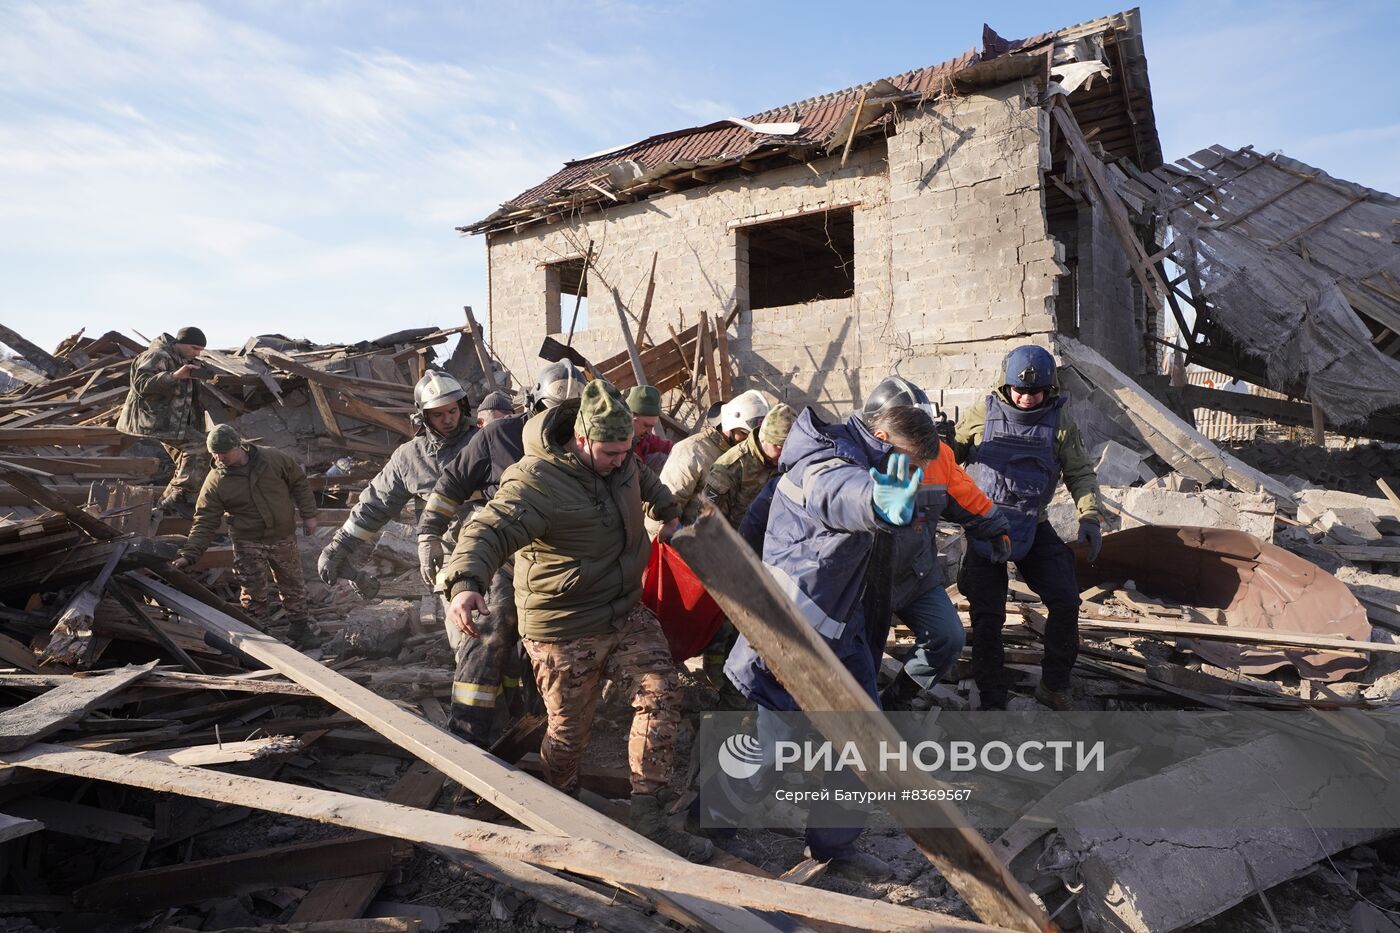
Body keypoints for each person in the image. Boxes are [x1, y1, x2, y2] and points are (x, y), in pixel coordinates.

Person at [439, 379, 712, 862]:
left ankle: (650, 818)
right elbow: (487, 529)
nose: (619, 459)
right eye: (609, 452)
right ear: (581, 439)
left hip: (624, 608)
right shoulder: (536, 481)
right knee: (568, 733)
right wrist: (465, 583)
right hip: (563, 623)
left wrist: (665, 509)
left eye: (625, 450)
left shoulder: (622, 458)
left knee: (662, 692)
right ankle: (563, 807)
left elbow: (644, 481)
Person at [722, 405, 926, 881]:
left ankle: (835, 846)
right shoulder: (827, 466)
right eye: (911, 464)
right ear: (882, 438)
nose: (913, 477)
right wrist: (874, 502)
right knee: (771, 748)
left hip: (842, 630)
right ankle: (712, 826)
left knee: (864, 744)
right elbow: (842, 495)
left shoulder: (857, 460)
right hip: (793, 637)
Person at [417, 361, 583, 745]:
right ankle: (467, 734)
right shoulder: (499, 437)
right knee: (491, 627)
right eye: (552, 411)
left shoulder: (588, 441)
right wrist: (428, 533)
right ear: (533, 404)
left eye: (573, 414)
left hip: (561, 560)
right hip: (506, 555)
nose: (562, 422)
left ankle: (537, 721)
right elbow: (452, 483)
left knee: (552, 641)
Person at [953, 346, 1102, 711]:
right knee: (988, 614)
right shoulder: (981, 413)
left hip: (1033, 522)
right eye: (1018, 389)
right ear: (1005, 385)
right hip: (986, 523)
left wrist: (1090, 516)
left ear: (1048, 389)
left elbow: (1080, 472)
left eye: (1034, 392)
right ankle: (991, 700)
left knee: (1066, 598)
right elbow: (949, 455)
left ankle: (1053, 685)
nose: (1025, 396)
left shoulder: (1060, 421)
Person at [856, 378, 1011, 712]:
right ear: (880, 430)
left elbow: (965, 494)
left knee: (947, 638)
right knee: (860, 659)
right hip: (864, 585)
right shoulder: (853, 457)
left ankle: (898, 701)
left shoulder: (937, 456)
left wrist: (995, 528)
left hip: (915, 573)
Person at [317, 370, 475, 600]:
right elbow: (375, 505)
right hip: (446, 554)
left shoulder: (485, 442)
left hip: (496, 548)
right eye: (438, 414)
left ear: (463, 407)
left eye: (453, 411)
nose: (448, 419)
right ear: (423, 416)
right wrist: (338, 547)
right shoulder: (409, 457)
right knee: (463, 625)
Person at [173, 425, 320, 645]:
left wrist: (309, 515)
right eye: (214, 453)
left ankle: (300, 628)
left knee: (293, 583)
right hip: (247, 540)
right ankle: (259, 637)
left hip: (282, 536)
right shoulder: (215, 482)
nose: (218, 457)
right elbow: (205, 520)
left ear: (238, 446)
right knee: (253, 590)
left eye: (223, 452)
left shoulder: (272, 459)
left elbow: (298, 482)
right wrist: (190, 554)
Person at [696, 402, 794, 693]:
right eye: (780, 449)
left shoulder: (787, 461)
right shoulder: (731, 466)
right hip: (731, 557)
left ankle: (746, 684)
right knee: (725, 627)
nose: (784, 457)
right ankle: (717, 683)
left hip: (771, 555)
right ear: (765, 440)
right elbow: (708, 521)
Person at [647, 389, 768, 537]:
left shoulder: (748, 458)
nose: (748, 442)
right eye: (744, 434)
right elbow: (663, 508)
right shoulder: (692, 451)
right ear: (729, 425)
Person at [116, 326, 211, 514]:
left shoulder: (182, 358)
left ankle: (166, 505)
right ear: (180, 343)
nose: (196, 353)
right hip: (152, 419)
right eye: (194, 348)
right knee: (199, 447)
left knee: (187, 458)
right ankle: (179, 497)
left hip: (171, 421)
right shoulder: (157, 355)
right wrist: (174, 376)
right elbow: (141, 384)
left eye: (199, 350)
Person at [626, 385, 672, 466]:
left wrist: (679, 448)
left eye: (652, 427)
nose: (649, 432)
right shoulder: (617, 443)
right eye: (646, 425)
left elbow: (655, 442)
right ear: (631, 417)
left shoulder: (641, 436)